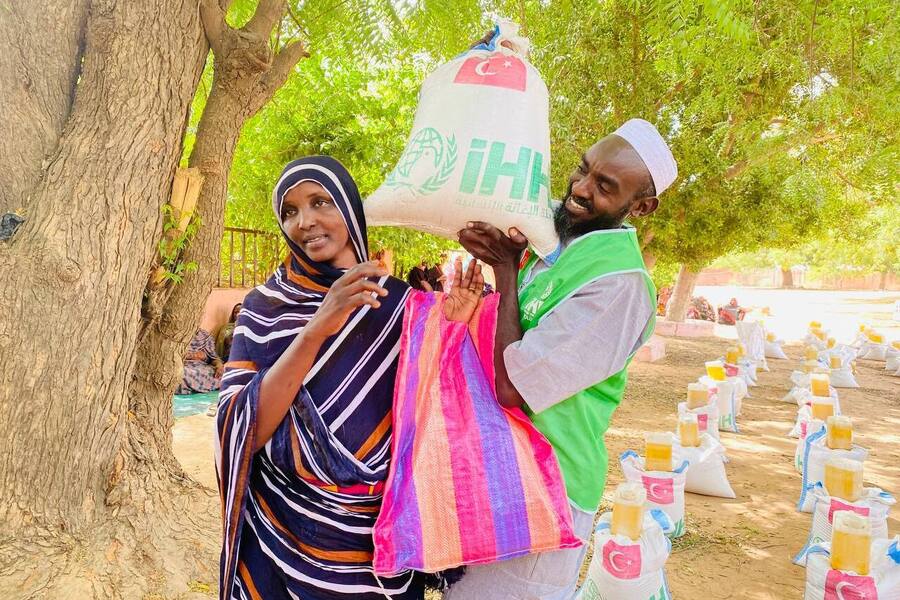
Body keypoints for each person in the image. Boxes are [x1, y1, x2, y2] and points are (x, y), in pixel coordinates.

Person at [215, 156, 484, 600]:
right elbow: (242, 427)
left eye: (320, 202)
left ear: (349, 207)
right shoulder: (264, 307)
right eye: (290, 211)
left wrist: (451, 330)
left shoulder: (403, 304)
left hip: (376, 541)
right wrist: (320, 323)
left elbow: (437, 414)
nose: (305, 221)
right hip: (281, 531)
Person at [448, 118, 677, 599]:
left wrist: (506, 272)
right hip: (496, 466)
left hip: (549, 486)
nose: (579, 189)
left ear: (642, 206)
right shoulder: (554, 240)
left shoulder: (620, 284)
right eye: (583, 169)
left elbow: (514, 387)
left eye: (604, 186)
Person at [176, 328, 223, 394]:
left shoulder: (204, 335)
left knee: (223, 373)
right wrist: (192, 355)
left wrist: (219, 365)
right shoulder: (174, 334)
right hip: (181, 364)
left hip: (201, 366)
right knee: (181, 373)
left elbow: (213, 357)